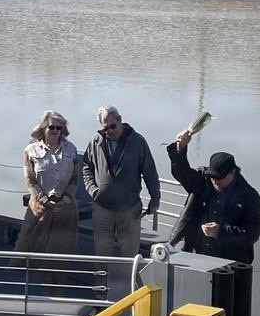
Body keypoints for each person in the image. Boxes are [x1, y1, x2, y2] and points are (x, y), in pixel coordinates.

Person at [167, 128, 260, 264]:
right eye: (212, 177)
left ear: (232, 173)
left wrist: (221, 231)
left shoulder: (249, 196)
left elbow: (253, 233)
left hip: (228, 264)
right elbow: (182, 173)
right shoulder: (203, 181)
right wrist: (180, 148)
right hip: (195, 255)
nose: (214, 181)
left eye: (219, 178)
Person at [13, 110, 81, 290]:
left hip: (65, 209)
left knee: (61, 249)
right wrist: (44, 199)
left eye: (59, 128)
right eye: (52, 127)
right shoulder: (30, 151)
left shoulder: (71, 149)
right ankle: (17, 284)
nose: (55, 131)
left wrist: (65, 199)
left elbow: (75, 179)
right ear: (44, 128)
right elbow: (30, 180)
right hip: (39, 208)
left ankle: (55, 284)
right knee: (25, 245)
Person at [83, 105, 160, 257]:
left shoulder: (138, 142)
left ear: (120, 120)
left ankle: (127, 281)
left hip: (129, 209)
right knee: (101, 254)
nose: (110, 131)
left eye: (113, 126)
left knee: (129, 255)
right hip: (102, 208)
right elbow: (87, 167)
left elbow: (150, 172)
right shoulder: (96, 141)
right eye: (106, 129)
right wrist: (92, 190)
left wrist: (155, 199)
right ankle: (101, 281)